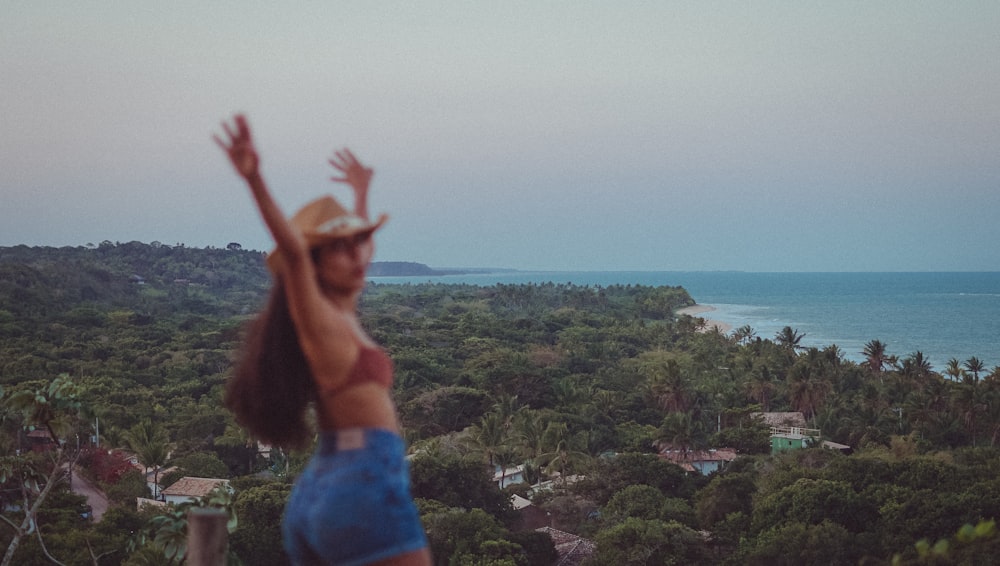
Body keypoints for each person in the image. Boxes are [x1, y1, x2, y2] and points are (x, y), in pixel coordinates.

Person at [214, 115, 431, 566]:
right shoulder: (320, 320)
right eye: (339, 248)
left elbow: (360, 249)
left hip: (326, 485)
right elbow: (293, 253)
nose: (357, 257)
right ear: (315, 264)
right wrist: (254, 179)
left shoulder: (340, 312)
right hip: (364, 483)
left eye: (359, 244)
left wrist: (360, 193)